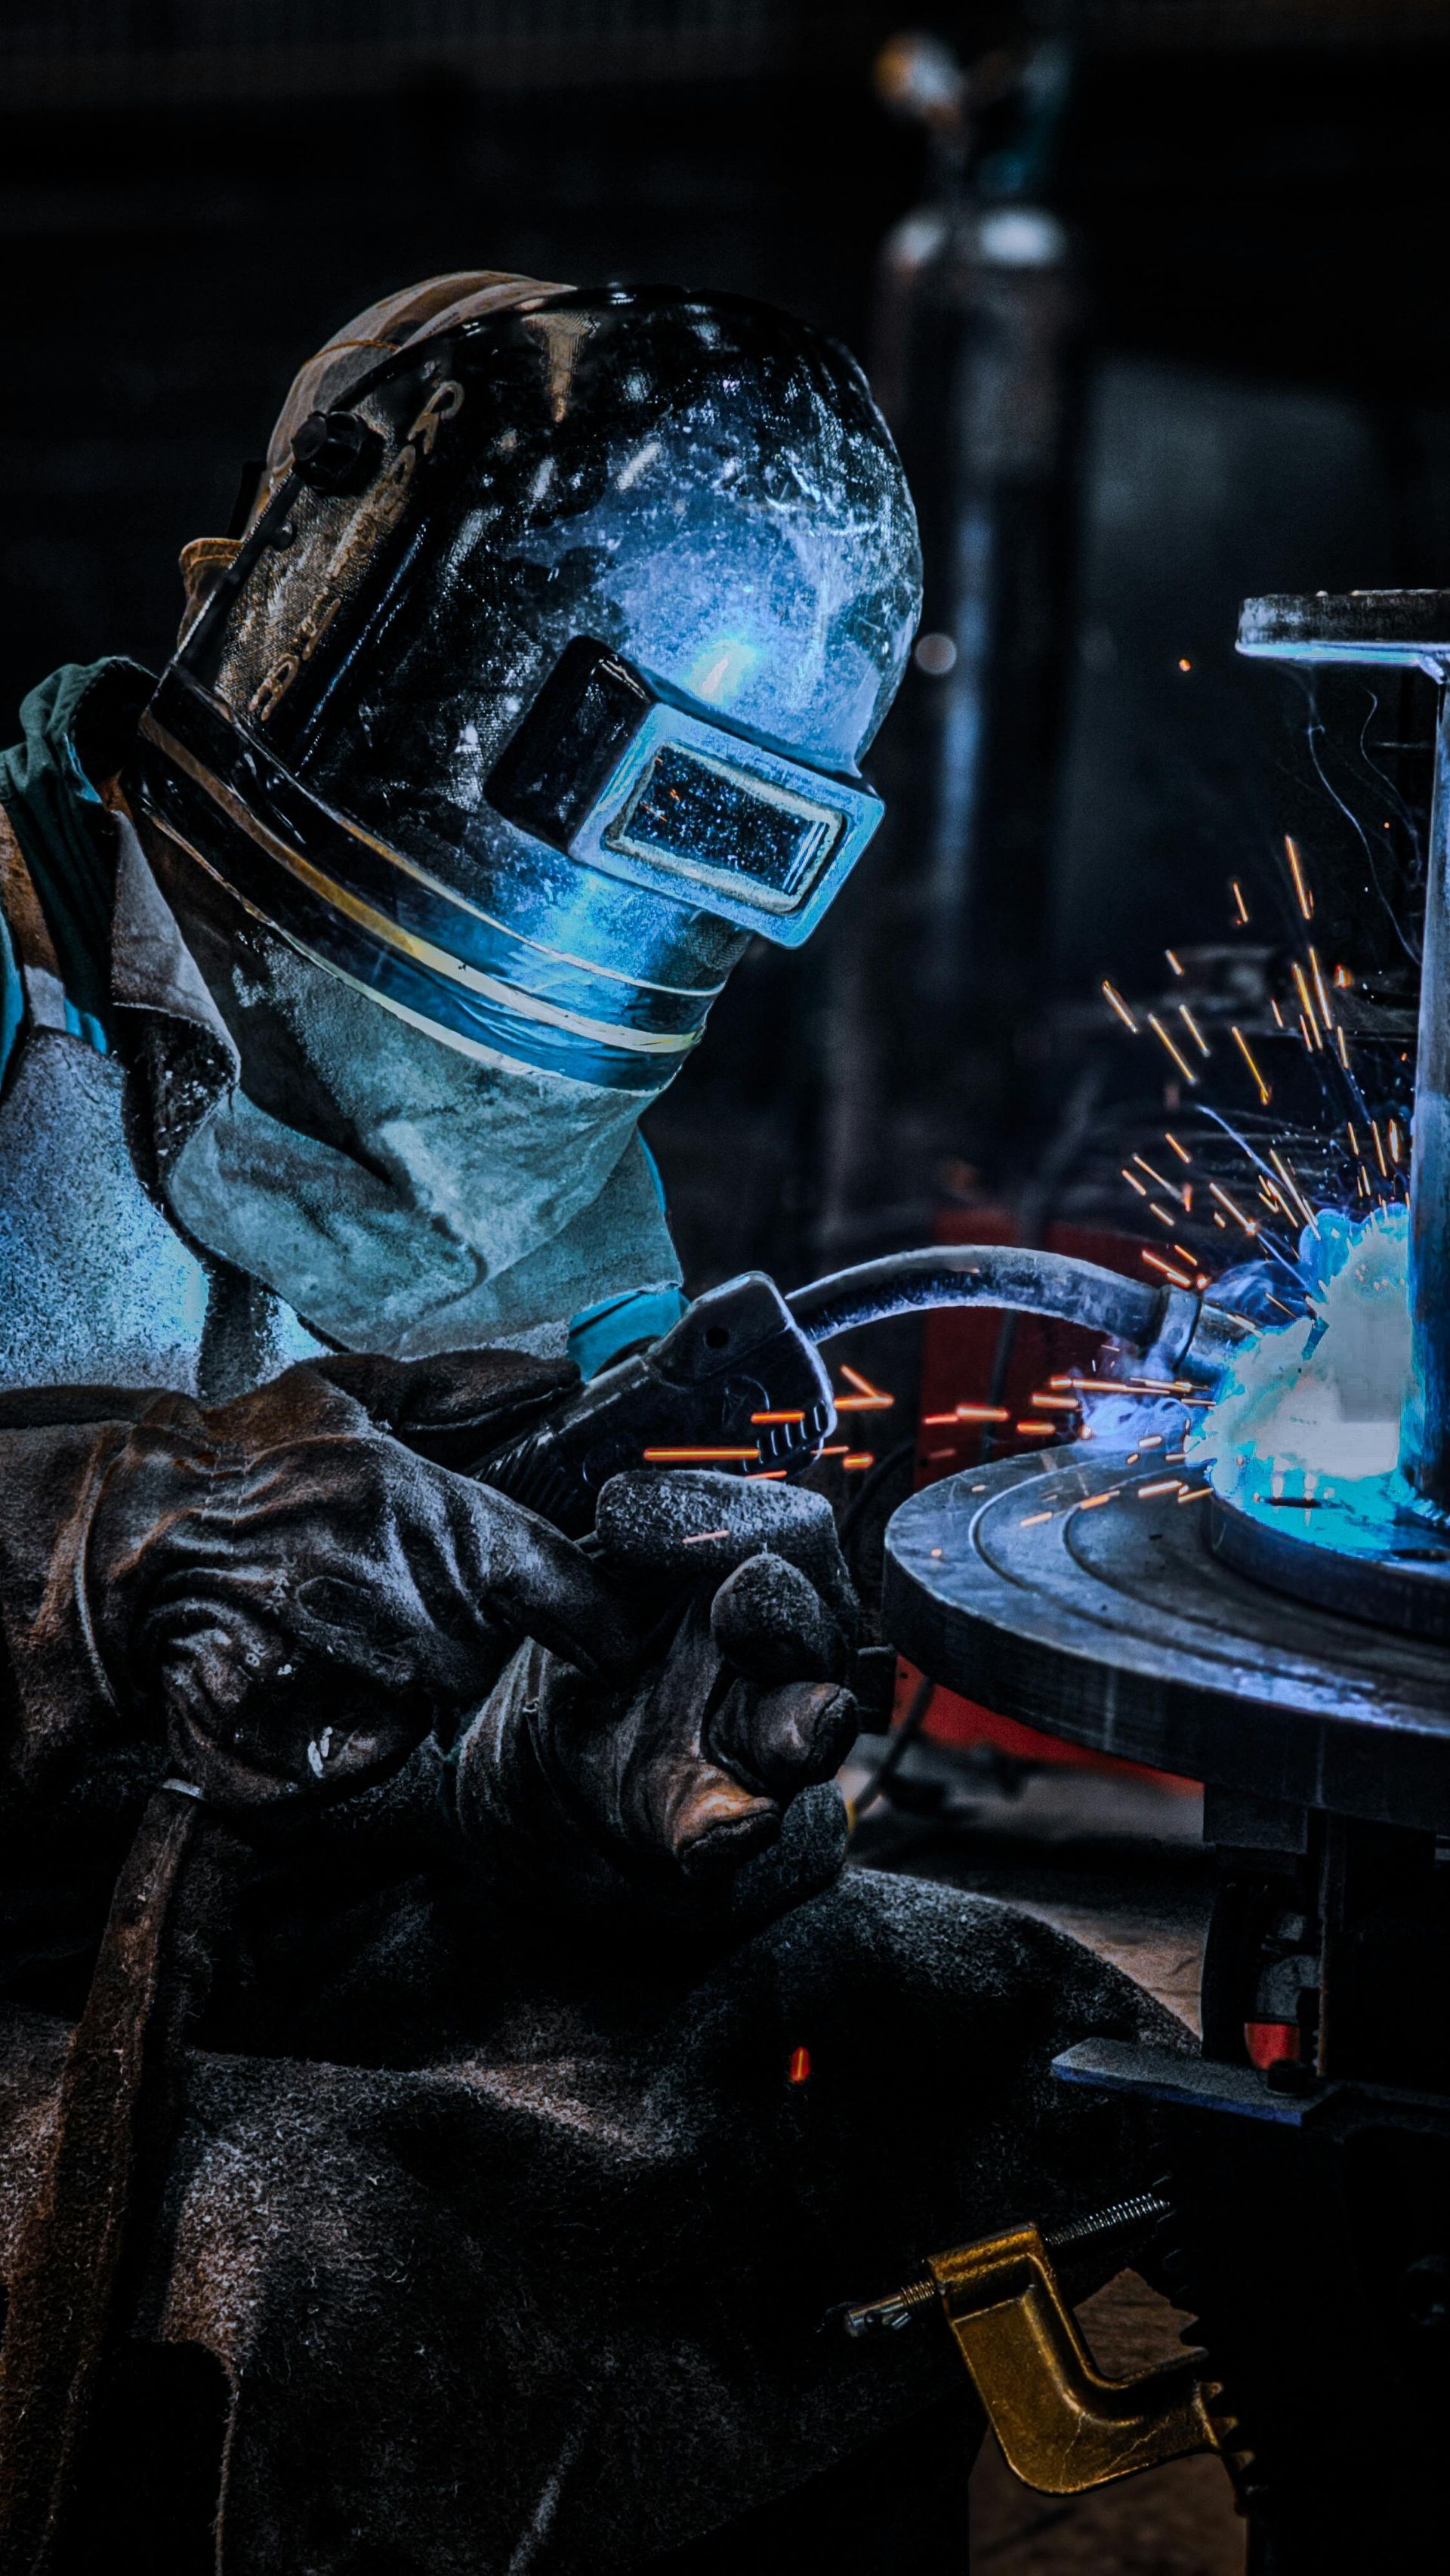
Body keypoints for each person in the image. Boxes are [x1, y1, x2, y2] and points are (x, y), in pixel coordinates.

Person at [0, 273, 1178, 2573]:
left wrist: (605, 1780)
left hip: (234, 1939)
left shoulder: (557, 1181)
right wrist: (100, 1545)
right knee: (336, 2257)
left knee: (924, 2026)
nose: (445, 1163)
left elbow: (448, 1783)